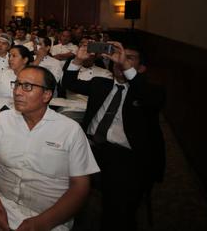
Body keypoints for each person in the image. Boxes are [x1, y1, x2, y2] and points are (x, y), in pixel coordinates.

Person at [0, 66, 99, 231]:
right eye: (17, 84)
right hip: (0, 202)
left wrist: (41, 223)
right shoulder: (3, 120)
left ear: (47, 95)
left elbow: (80, 186)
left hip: (50, 216)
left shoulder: (70, 131)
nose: (18, 92)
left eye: (27, 87)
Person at [62, 41, 165, 231]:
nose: (121, 60)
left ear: (141, 68)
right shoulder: (101, 83)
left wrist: (125, 67)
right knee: (56, 177)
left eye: (129, 58)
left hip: (124, 155)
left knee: (117, 205)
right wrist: (77, 59)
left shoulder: (150, 92)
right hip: (90, 146)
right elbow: (68, 83)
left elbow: (151, 98)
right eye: (119, 57)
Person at [0, 45, 32, 117]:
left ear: (25, 60)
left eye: (14, 56)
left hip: (19, 116)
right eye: (9, 56)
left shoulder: (31, 78)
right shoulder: (4, 73)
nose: (10, 59)